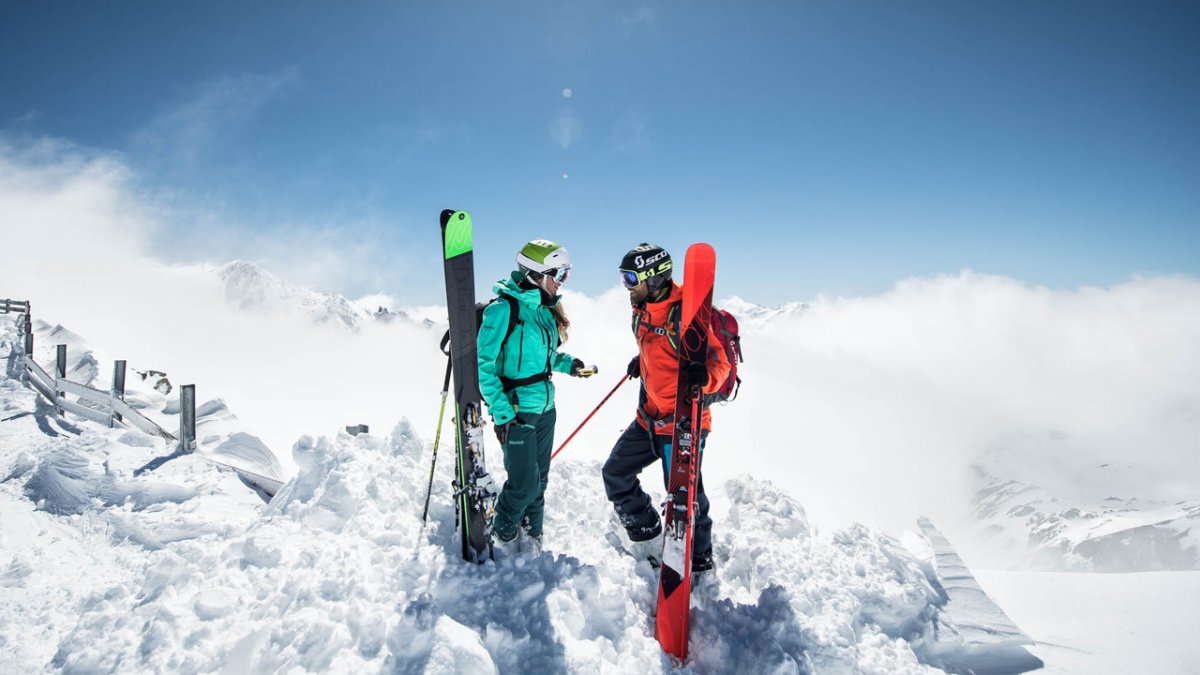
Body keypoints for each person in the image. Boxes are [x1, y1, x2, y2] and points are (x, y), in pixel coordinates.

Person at [602, 243, 731, 572]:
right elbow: (660, 350)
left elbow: (721, 366)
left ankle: (700, 562)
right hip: (648, 419)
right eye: (623, 277)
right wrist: (643, 363)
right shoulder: (642, 311)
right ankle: (647, 534)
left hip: (683, 425)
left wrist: (705, 379)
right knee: (615, 473)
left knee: (686, 500)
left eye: (631, 278)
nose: (626, 285)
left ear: (655, 278)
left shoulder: (687, 312)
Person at [478, 239, 597, 556]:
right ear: (536, 273)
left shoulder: (544, 312)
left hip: (546, 408)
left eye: (566, 274)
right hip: (517, 411)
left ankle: (532, 542)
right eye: (560, 273)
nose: (562, 281)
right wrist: (503, 413)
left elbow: (547, 357)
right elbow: (483, 366)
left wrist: (570, 365)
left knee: (539, 484)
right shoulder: (504, 310)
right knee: (524, 482)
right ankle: (499, 534)